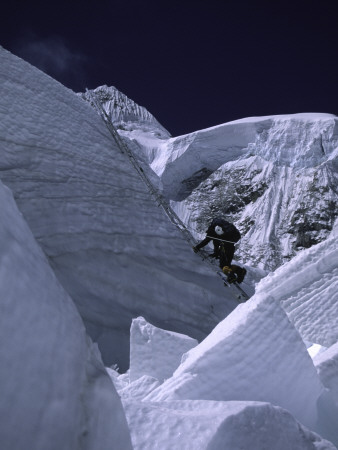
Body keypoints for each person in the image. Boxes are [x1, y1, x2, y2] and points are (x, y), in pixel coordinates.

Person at [193, 217, 246, 283]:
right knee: (225, 263)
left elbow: (208, 240)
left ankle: (232, 276)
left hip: (228, 244)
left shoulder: (216, 232)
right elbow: (216, 242)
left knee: (224, 265)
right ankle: (240, 271)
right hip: (230, 244)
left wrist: (197, 247)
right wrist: (216, 253)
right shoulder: (223, 229)